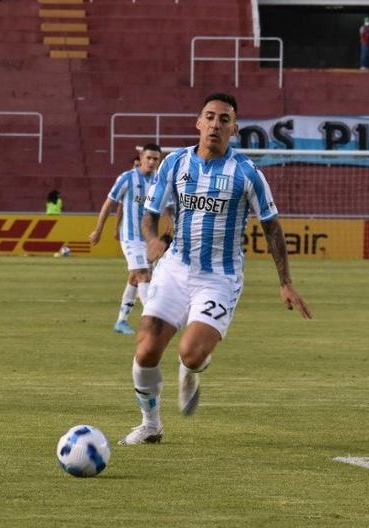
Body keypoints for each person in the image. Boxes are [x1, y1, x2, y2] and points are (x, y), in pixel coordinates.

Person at [118, 93, 312, 446]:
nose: (215, 124)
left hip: (219, 277)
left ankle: (191, 371)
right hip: (175, 268)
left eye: (225, 120)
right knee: (146, 349)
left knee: (190, 353)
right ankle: (150, 424)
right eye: (210, 117)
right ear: (198, 123)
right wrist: (151, 239)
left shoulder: (247, 173)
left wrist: (286, 283)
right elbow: (149, 215)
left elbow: (272, 227)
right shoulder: (174, 164)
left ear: (234, 129)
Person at [89, 143, 163, 335]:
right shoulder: (127, 178)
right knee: (143, 275)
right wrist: (99, 229)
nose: (152, 162)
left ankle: (121, 321)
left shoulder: (159, 181)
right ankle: (151, 322)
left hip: (149, 238)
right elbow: (110, 203)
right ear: (142, 158)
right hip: (130, 237)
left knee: (135, 278)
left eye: (156, 159)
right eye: (149, 158)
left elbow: (169, 207)